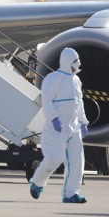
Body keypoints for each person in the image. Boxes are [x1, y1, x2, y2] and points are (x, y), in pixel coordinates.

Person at [29, 47, 89, 203]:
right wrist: (53, 118)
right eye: (75, 61)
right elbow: (47, 100)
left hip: (74, 127)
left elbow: (79, 103)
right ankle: (38, 182)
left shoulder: (76, 80)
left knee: (77, 161)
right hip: (56, 128)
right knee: (54, 158)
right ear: (67, 62)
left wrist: (83, 122)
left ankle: (71, 193)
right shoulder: (52, 79)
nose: (78, 64)